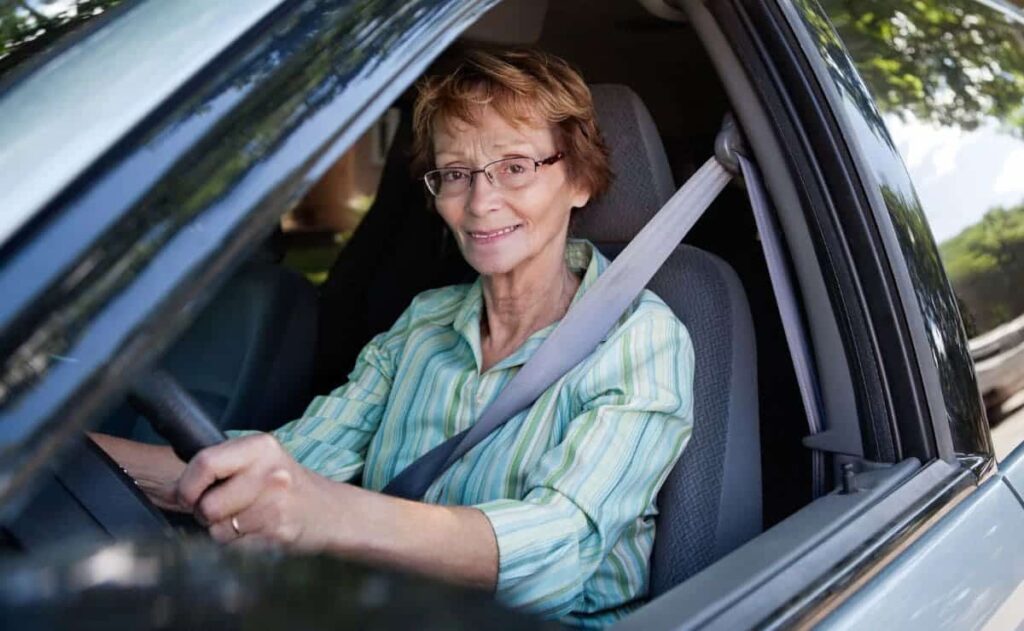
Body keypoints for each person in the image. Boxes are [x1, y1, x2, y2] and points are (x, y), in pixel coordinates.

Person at [94, 48, 695, 627]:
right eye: (456, 173)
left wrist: (327, 513)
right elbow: (289, 464)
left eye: (515, 167)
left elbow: (557, 550)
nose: (482, 202)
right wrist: (65, 453)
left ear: (580, 180)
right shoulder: (424, 323)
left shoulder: (640, 339)